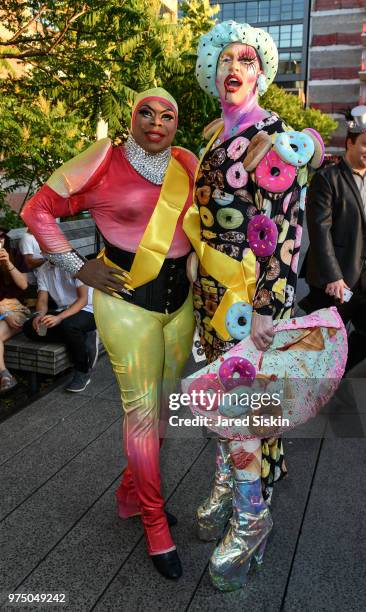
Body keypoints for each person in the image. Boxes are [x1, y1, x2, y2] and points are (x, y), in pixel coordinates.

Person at [21, 88, 197, 580]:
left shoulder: (186, 162)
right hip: (124, 303)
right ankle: (156, 524)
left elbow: (200, 227)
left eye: (167, 115)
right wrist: (78, 267)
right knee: (141, 415)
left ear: (177, 124)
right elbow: (36, 210)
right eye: (146, 112)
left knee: (164, 408)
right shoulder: (103, 160)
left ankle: (131, 493)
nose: (156, 122)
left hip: (179, 304)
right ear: (132, 116)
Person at [182, 20, 322, 591]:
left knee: (241, 413)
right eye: (223, 61)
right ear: (211, 70)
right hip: (212, 298)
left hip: (251, 305)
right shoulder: (216, 131)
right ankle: (227, 484)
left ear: (261, 72)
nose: (233, 68)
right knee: (223, 404)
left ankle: (251, 518)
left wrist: (269, 307)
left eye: (245, 60)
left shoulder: (273, 136)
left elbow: (288, 229)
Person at [300, 105, 366, 373]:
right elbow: (319, 229)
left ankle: (336, 370)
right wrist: (332, 276)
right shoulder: (327, 179)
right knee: (322, 340)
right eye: (365, 144)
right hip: (337, 279)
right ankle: (306, 387)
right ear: (350, 142)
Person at [22, 260, 98, 392]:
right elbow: (42, 300)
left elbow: (83, 299)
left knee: (69, 326)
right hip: (63, 311)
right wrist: (39, 315)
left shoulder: (75, 264)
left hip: (89, 309)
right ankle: (84, 335)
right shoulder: (43, 270)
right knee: (30, 328)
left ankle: (83, 370)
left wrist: (59, 318)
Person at [0, 226, 29, 393]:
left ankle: (4, 376)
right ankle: (5, 375)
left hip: (16, 308)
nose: (0, 240)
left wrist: (7, 263)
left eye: (2, 236)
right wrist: (4, 312)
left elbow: (24, 285)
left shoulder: (14, 255)